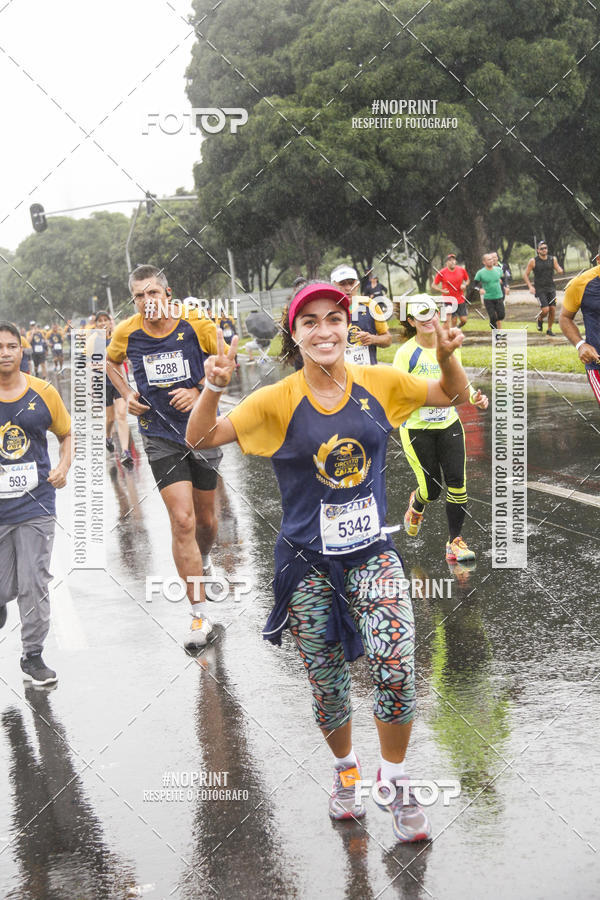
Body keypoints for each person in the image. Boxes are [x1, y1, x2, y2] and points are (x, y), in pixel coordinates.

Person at [186, 282, 472, 841]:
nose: (324, 330)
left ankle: (394, 778)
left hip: (372, 554)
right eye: (310, 321)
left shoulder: (379, 381)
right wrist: (212, 390)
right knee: (328, 683)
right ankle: (346, 771)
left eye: (334, 319)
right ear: (295, 334)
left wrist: (447, 355)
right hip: (307, 564)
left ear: (348, 326)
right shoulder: (277, 398)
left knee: (395, 661)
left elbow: (449, 395)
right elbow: (201, 440)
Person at [106, 265, 220, 650]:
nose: (146, 302)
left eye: (153, 293)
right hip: (159, 436)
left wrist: (198, 389)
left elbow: (223, 365)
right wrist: (126, 393)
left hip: (203, 432)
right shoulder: (126, 332)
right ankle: (198, 615)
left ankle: (201, 565)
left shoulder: (196, 324)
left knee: (206, 521)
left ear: (167, 293)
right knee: (183, 520)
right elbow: (107, 361)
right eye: (139, 296)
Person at [0, 322, 72, 685]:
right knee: (4, 587)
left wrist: (62, 466)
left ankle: (33, 655)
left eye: (11, 346)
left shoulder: (42, 392)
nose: (5, 352)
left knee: (34, 582)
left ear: (22, 350)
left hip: (36, 506)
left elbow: (66, 432)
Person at [393, 298, 488, 562]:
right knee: (432, 490)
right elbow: (397, 393)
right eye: (420, 317)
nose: (428, 320)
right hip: (417, 429)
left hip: (448, 424)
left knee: (458, 483)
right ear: (411, 321)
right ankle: (418, 503)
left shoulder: (448, 347)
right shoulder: (405, 354)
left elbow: (460, 384)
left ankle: (454, 541)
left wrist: (474, 399)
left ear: (438, 314)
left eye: (432, 313)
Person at [559, 247, 600, 405]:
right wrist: (580, 345)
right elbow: (564, 318)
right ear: (598, 260)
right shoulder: (580, 284)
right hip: (597, 365)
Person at [94, 311, 133, 468]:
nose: (103, 323)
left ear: (111, 322)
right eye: (100, 321)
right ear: (96, 324)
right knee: (110, 419)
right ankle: (107, 436)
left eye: (106, 320)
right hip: (103, 383)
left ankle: (125, 451)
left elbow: (127, 356)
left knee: (121, 414)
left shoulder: (118, 339)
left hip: (120, 380)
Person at [331, 264, 392, 365]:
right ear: (333, 285)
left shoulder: (370, 304)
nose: (348, 288)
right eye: (342, 284)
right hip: (338, 377)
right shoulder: (326, 311)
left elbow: (388, 339)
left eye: (351, 283)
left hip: (368, 376)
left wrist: (373, 339)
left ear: (357, 285)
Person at [523, 241, 563, 336]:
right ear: (538, 250)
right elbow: (525, 274)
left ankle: (549, 329)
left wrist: (560, 270)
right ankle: (540, 319)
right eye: (542, 248)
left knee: (553, 309)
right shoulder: (533, 261)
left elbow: (558, 268)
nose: (544, 250)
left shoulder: (552, 259)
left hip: (551, 288)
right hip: (540, 289)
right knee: (545, 310)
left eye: (545, 248)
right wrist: (530, 286)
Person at [432, 253, 470, 327]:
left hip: (460, 299)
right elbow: (433, 285)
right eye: (450, 260)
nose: (452, 262)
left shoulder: (461, 270)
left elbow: (467, 280)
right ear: (446, 263)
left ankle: (456, 329)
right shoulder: (442, 272)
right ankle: (452, 334)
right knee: (454, 320)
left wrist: (465, 285)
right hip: (448, 300)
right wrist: (442, 290)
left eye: (454, 260)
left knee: (464, 320)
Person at [473, 254, 506, 329]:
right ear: (484, 262)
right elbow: (475, 284)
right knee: (492, 316)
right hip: (488, 298)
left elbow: (504, 278)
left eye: (492, 259)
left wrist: (504, 284)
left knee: (501, 315)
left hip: (498, 296)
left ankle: (493, 322)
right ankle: (495, 332)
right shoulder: (480, 273)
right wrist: (480, 289)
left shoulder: (498, 270)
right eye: (489, 260)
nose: (491, 261)